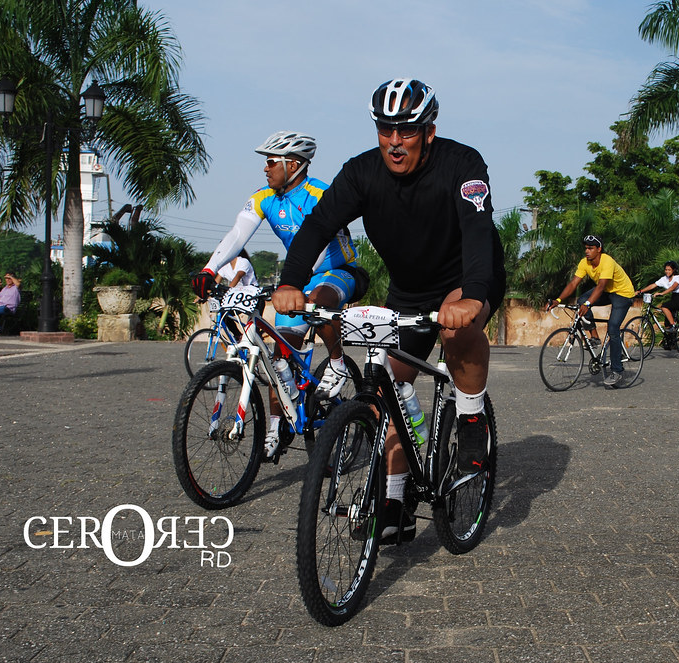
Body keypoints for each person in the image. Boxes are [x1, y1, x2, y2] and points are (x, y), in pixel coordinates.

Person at [272, 78, 506, 543]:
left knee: (457, 333)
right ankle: (395, 504)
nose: (395, 141)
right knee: (388, 388)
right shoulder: (361, 173)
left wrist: (473, 297)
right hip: (410, 288)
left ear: (428, 132)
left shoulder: (463, 164)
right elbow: (318, 225)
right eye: (385, 129)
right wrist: (291, 282)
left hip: (466, 277)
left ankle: (472, 420)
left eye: (407, 130)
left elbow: (478, 231)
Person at [190, 131, 362, 461]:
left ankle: (337, 362)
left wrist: (297, 282)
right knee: (278, 359)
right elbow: (237, 234)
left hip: (336, 271)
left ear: (293, 165)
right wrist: (210, 269)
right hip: (295, 282)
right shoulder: (264, 197)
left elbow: (319, 240)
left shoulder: (319, 194)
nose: (265, 168)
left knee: (319, 301)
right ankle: (275, 426)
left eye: (271, 162)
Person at [546, 235, 636, 386]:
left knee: (613, 328)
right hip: (607, 292)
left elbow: (601, 286)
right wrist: (558, 300)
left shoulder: (607, 261)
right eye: (586, 248)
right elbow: (573, 283)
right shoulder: (585, 262)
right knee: (581, 300)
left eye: (590, 248)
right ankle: (594, 336)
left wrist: (588, 304)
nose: (587, 251)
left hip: (623, 294)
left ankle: (617, 371)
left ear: (599, 249)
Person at [635, 260, 679, 335]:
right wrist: (640, 291)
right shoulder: (664, 279)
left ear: (674, 270)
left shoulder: (677, 278)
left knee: (664, 307)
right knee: (667, 325)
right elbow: (653, 285)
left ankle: (674, 325)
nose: (667, 271)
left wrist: (662, 293)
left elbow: (672, 288)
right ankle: (670, 339)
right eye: (666, 270)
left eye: (669, 270)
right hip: (674, 297)